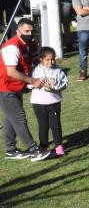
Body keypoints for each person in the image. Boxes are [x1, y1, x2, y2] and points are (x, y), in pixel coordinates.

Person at [1, 19, 51, 161]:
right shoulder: (11, 47)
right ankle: (34, 150)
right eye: (26, 31)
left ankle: (10, 149)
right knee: (18, 118)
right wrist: (33, 81)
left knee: (10, 118)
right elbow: (11, 72)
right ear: (18, 31)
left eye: (31, 31)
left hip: (17, 86)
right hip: (6, 86)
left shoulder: (31, 44)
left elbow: (35, 62)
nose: (29, 34)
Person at [29, 47, 67, 156]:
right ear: (41, 59)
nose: (50, 62)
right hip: (38, 103)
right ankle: (43, 146)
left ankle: (59, 146)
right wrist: (36, 82)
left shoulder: (58, 71)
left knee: (55, 125)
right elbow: (28, 84)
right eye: (47, 59)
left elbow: (64, 84)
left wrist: (55, 83)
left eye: (52, 59)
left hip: (54, 102)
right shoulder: (35, 70)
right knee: (43, 126)